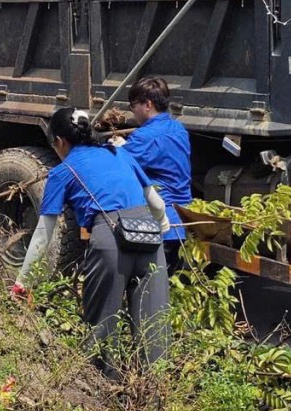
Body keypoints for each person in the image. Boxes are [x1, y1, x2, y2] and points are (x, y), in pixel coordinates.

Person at [13, 108, 169, 368]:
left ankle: (105, 400)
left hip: (111, 241)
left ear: (60, 142)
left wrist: (22, 283)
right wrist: (160, 229)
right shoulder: (120, 153)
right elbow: (158, 204)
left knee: (102, 332)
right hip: (150, 238)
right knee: (154, 333)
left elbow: (43, 234)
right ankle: (154, 400)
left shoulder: (64, 172)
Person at [120, 77, 191, 274]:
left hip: (160, 223)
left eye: (133, 105)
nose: (132, 111)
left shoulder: (145, 136)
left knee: (149, 288)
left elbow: (120, 166)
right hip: (183, 219)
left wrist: (118, 148)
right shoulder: (179, 129)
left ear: (148, 105)